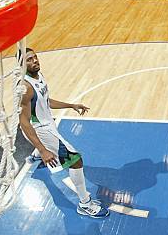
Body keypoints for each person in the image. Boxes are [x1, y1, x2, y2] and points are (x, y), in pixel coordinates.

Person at [19, 48, 109, 218]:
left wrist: (71, 105)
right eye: (29, 60)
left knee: (56, 146)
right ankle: (85, 203)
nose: (35, 61)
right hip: (40, 129)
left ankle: (37, 155)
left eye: (35, 57)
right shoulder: (25, 88)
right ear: (21, 65)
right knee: (75, 160)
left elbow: (46, 101)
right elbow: (23, 122)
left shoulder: (38, 76)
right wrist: (44, 149)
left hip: (47, 124)